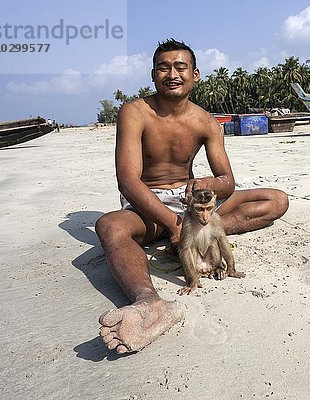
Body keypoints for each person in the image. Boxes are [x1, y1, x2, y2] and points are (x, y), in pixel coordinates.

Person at [95, 39, 289, 354]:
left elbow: (228, 181)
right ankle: (149, 303)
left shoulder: (206, 122)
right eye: (164, 67)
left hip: (192, 202)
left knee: (276, 199)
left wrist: (208, 184)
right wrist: (173, 226)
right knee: (109, 226)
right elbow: (128, 181)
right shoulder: (135, 112)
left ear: (195, 75)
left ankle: (204, 233)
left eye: (180, 67)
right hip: (149, 204)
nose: (172, 74)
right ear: (153, 74)